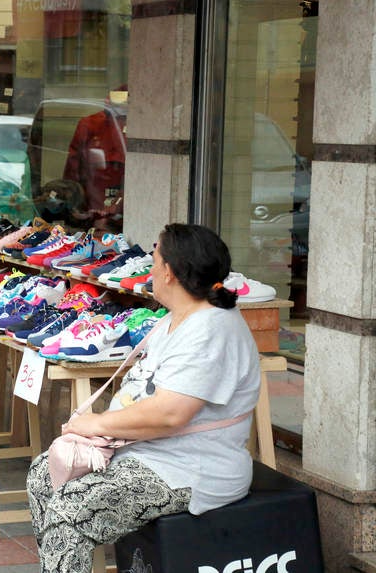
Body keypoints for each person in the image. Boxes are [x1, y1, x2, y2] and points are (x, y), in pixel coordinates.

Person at [27, 223, 261, 573]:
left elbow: (171, 414)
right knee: (42, 475)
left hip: (190, 467)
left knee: (71, 510)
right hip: (145, 453)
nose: (149, 268)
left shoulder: (213, 327)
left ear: (168, 272)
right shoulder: (176, 318)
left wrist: (97, 424)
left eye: (154, 260)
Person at [62, 90, 127, 231]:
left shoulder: (136, 125)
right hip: (94, 201)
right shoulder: (90, 124)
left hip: (117, 206)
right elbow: (73, 170)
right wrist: (74, 203)